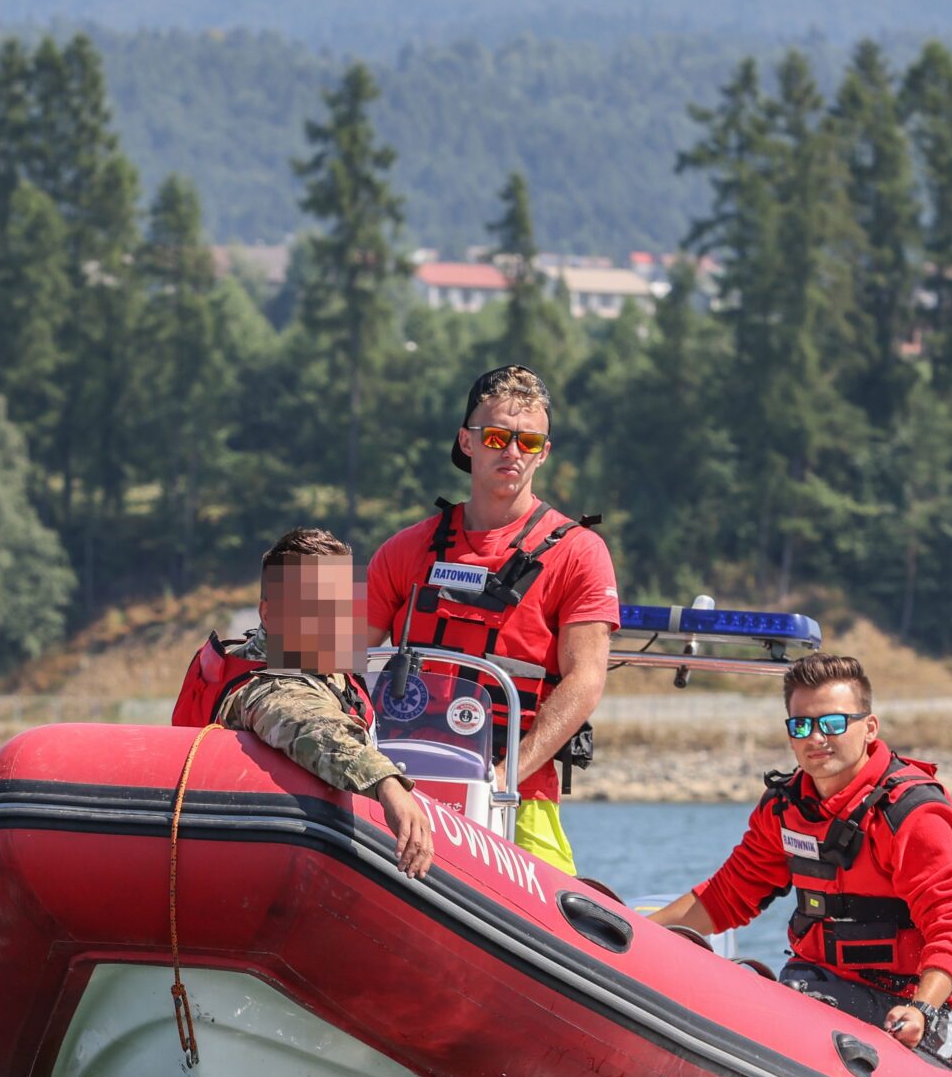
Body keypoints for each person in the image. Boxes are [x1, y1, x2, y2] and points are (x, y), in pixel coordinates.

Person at [646, 654, 952, 1052]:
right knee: (758, 991)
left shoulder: (911, 815)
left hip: (899, 1006)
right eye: (801, 726)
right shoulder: (784, 810)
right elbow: (724, 897)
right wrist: (640, 934)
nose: (816, 738)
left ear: (869, 728)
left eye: (832, 723)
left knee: (792, 1004)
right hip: (813, 981)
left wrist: (922, 1008)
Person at [362, 365, 619, 875]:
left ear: (544, 452)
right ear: (467, 441)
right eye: (498, 436)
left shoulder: (579, 554)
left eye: (528, 442)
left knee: (548, 933)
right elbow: (338, 660)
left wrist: (503, 778)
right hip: (398, 784)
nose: (512, 452)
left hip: (519, 795)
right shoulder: (405, 549)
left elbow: (586, 679)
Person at [172, 527, 434, 878]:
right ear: (270, 616)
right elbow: (310, 724)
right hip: (262, 870)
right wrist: (388, 786)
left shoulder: (326, 668)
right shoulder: (264, 687)